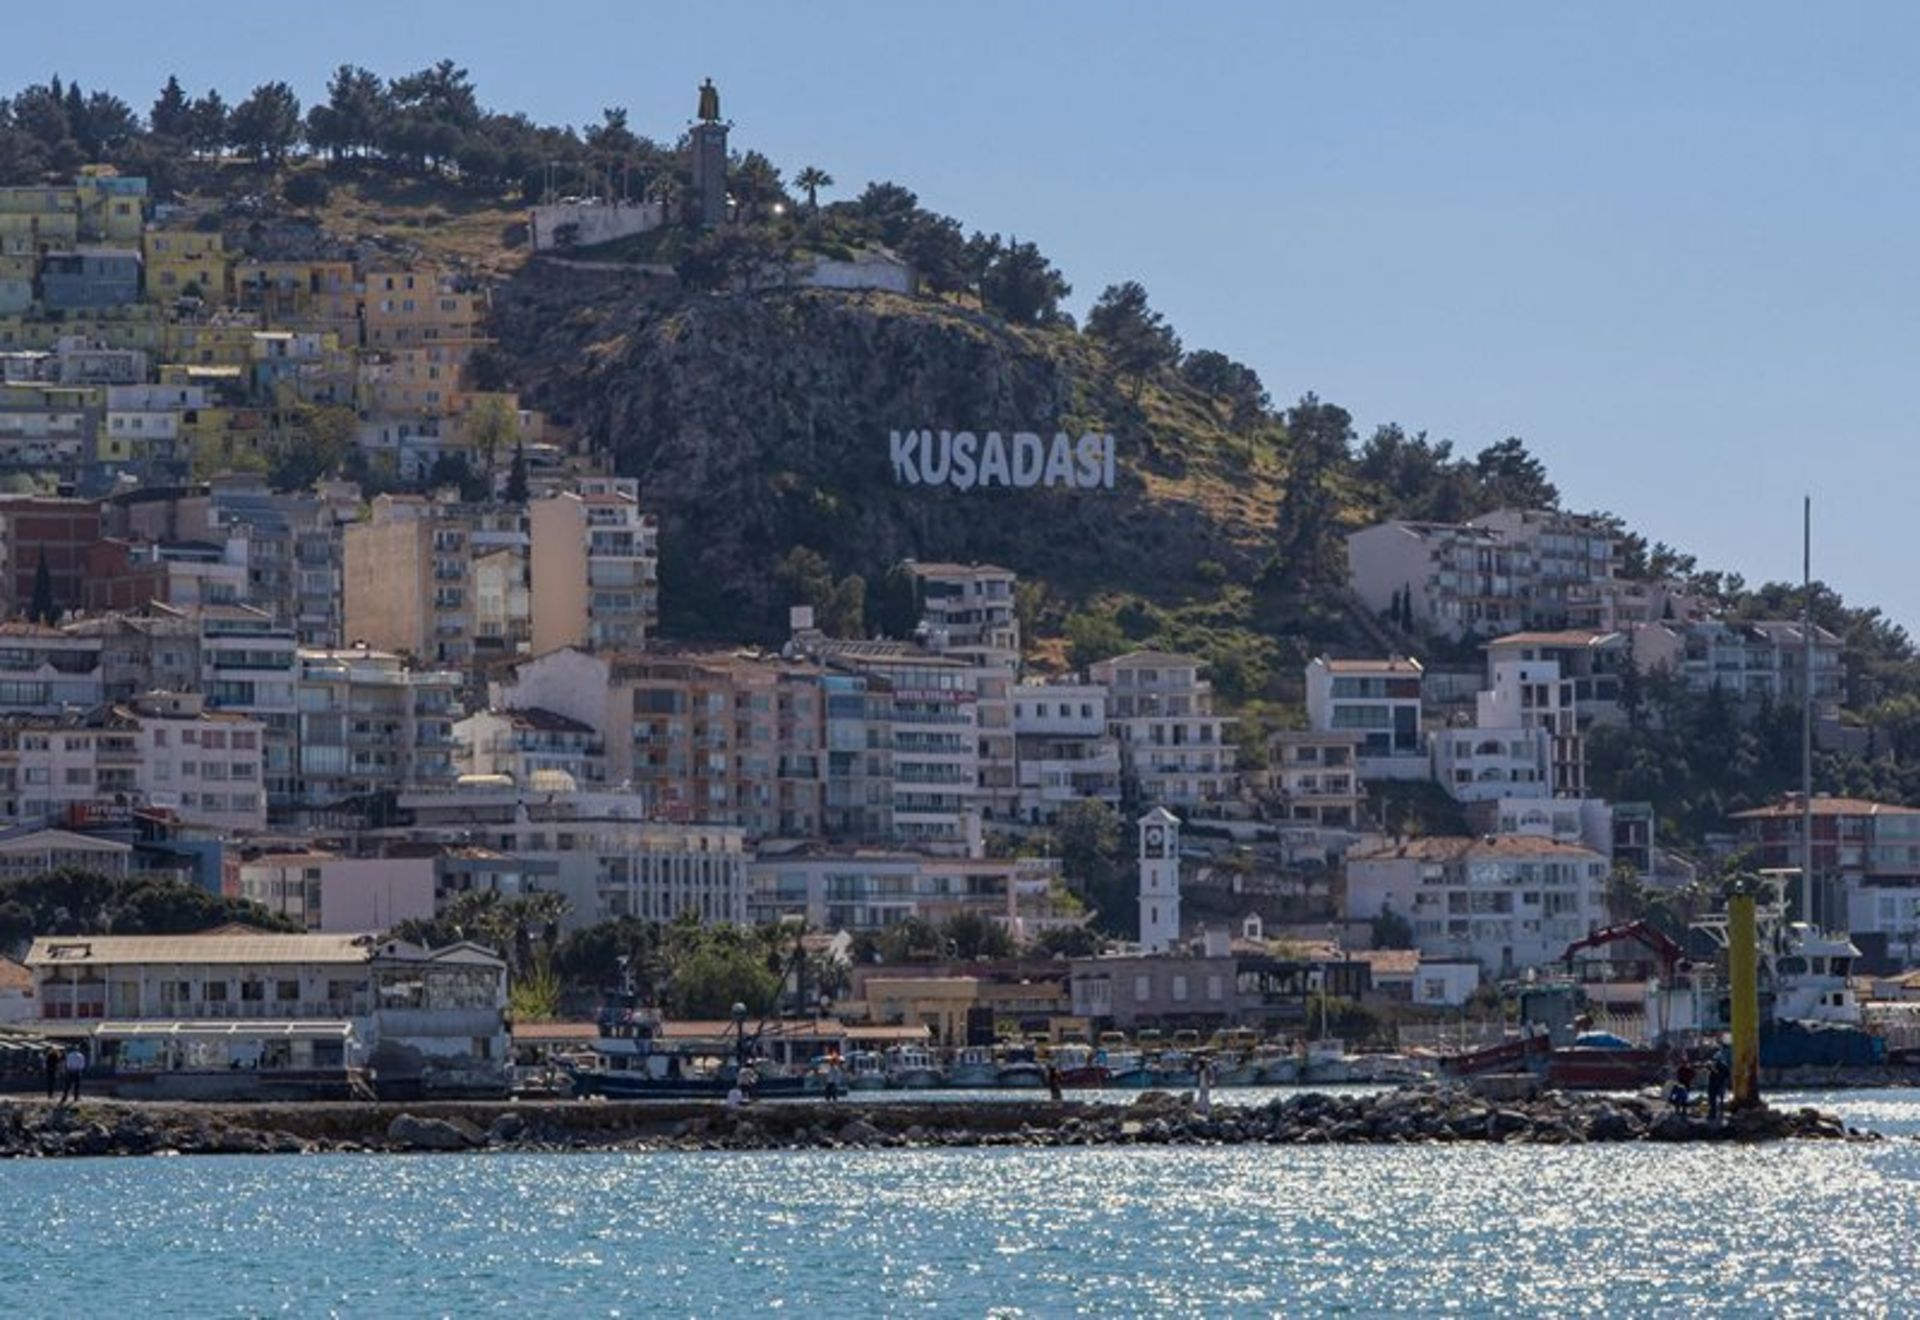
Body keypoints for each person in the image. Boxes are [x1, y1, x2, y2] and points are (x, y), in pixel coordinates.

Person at [1705, 1053, 1730, 1123]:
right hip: (1716, 1084)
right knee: (1714, 1100)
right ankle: (1716, 1114)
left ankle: (1715, 1114)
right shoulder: (1723, 1066)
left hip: (1717, 1085)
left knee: (1714, 1100)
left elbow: (1723, 1075)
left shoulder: (1721, 1066)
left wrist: (1714, 1070)